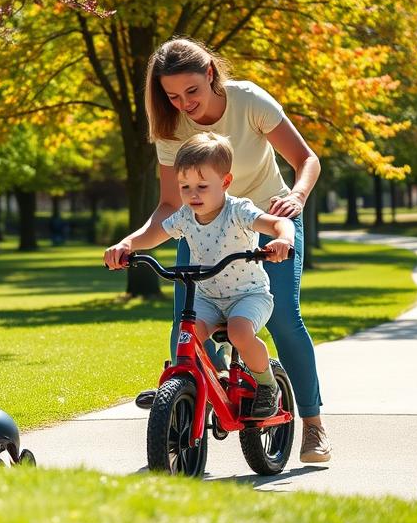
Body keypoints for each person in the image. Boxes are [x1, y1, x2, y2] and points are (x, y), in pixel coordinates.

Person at [103, 37, 331, 463]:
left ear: (210, 73)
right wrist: (128, 242)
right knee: (185, 324)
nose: (184, 103)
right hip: (202, 226)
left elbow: (306, 159)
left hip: (266, 219)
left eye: (192, 91)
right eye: (172, 96)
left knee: (282, 318)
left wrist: (296, 199)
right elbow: (171, 206)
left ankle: (313, 427)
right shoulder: (171, 127)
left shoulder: (248, 101)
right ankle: (196, 395)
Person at [107, 132, 294, 418]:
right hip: (208, 296)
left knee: (239, 332)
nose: (193, 194)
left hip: (248, 295)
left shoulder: (238, 210)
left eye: (202, 186)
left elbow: (279, 223)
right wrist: (127, 244)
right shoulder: (185, 216)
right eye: (185, 186)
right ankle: (187, 384)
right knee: (188, 335)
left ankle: (268, 385)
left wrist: (283, 240)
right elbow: (154, 232)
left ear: (226, 182)